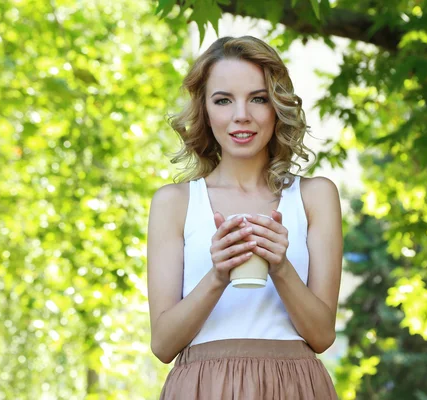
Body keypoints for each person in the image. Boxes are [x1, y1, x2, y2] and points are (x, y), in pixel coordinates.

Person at [146, 35, 343, 400]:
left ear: (277, 106)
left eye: (258, 98)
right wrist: (219, 273)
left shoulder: (315, 196)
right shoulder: (174, 202)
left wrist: (281, 267)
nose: (242, 115)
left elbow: (322, 335)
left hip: (295, 387)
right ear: (205, 110)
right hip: (202, 388)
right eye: (223, 100)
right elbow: (163, 344)